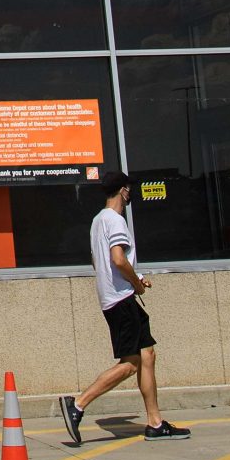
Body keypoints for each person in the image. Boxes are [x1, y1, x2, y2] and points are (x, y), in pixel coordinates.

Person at [61, 171, 188, 444]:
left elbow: (99, 262)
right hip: (121, 300)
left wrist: (136, 278)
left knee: (147, 355)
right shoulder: (115, 220)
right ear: (123, 190)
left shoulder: (98, 221)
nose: (130, 194)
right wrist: (137, 285)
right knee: (130, 364)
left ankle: (155, 423)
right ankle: (78, 404)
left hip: (117, 297)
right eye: (129, 189)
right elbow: (118, 259)